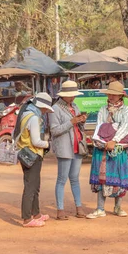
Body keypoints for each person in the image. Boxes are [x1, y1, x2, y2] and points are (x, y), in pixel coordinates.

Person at [87, 81, 128, 219]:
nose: (112, 97)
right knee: (102, 177)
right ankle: (100, 208)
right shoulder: (103, 109)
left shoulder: (125, 110)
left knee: (118, 176)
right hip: (103, 147)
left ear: (120, 96)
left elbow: (125, 126)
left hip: (118, 147)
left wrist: (115, 140)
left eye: (115, 94)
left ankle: (118, 206)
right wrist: (102, 140)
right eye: (110, 94)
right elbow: (100, 126)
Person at [14, 93, 53, 227]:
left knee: (33, 185)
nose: (46, 111)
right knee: (31, 187)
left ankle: (36, 213)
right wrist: (47, 144)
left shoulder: (25, 114)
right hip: (34, 154)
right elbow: (36, 141)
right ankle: (27, 218)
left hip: (25, 154)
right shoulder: (35, 118)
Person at [50, 81, 87, 220]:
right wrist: (71, 122)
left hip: (77, 146)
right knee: (62, 179)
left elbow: (77, 127)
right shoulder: (55, 109)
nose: (73, 98)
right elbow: (54, 130)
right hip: (65, 148)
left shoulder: (75, 106)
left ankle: (79, 207)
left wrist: (81, 121)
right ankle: (60, 209)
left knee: (75, 179)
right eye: (70, 95)